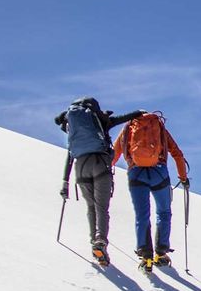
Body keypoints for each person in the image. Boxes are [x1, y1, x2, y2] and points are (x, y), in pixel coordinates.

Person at [55, 97, 145, 266]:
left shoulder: (72, 128)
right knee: (101, 207)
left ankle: (93, 243)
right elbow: (123, 118)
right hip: (100, 164)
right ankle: (100, 242)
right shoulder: (100, 122)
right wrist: (139, 113)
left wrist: (65, 182)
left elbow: (69, 154)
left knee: (90, 207)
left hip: (80, 167)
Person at [111, 111, 189, 273]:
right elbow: (177, 153)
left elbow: (115, 153)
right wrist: (183, 177)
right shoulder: (159, 128)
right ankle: (160, 253)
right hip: (159, 173)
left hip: (136, 173)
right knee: (164, 212)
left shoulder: (128, 128)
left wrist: (105, 170)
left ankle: (145, 256)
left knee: (142, 214)